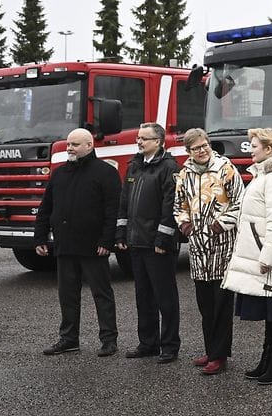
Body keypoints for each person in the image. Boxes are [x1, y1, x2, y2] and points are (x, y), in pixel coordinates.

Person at [222, 127, 272, 385]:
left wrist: (267, 256)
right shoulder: (264, 175)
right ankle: (268, 361)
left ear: (268, 149)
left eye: (254, 145)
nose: (250, 149)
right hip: (262, 254)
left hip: (269, 259)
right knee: (271, 312)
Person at [34, 128, 121, 357]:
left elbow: (113, 211)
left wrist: (107, 241)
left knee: (101, 294)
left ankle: (109, 340)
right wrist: (40, 237)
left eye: (74, 144)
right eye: (68, 144)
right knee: (67, 295)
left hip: (94, 247)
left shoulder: (105, 173)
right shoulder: (60, 174)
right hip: (65, 245)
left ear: (89, 146)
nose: (69, 148)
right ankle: (69, 339)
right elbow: (46, 208)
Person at [174, 128, 244, 376]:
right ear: (189, 151)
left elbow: (239, 202)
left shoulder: (226, 168)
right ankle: (210, 349)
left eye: (204, 145)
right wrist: (185, 224)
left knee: (221, 302)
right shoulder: (184, 174)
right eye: (196, 148)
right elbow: (179, 204)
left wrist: (219, 224)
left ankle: (220, 355)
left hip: (222, 245)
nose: (202, 151)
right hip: (198, 248)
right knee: (205, 303)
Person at [116, 122, 181, 363]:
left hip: (158, 246)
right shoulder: (134, 166)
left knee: (165, 298)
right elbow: (125, 202)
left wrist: (163, 239)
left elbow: (170, 206)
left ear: (159, 142)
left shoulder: (169, 168)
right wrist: (121, 233)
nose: (139, 142)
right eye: (138, 138)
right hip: (137, 243)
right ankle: (148, 343)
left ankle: (170, 346)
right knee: (143, 297)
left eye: (144, 138)